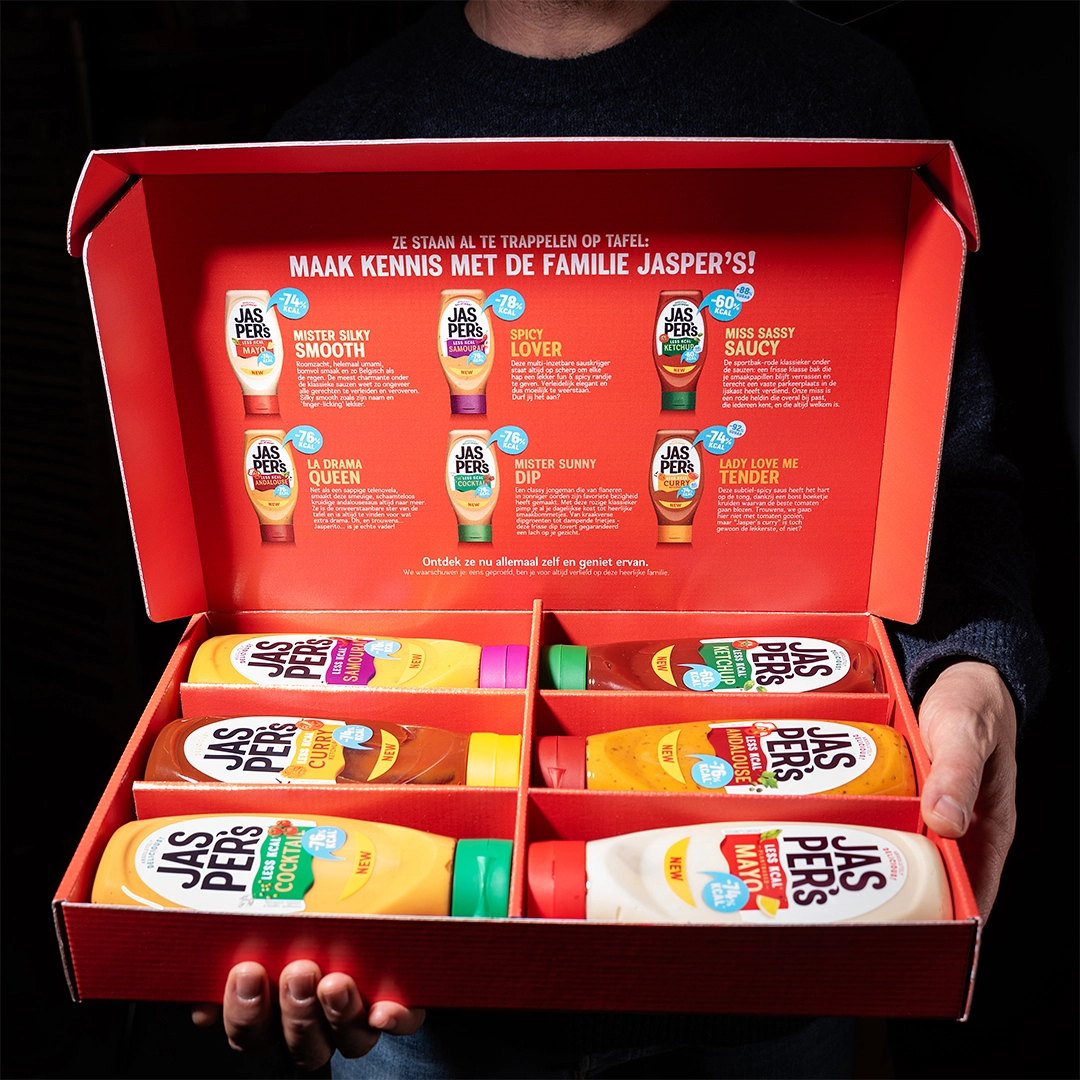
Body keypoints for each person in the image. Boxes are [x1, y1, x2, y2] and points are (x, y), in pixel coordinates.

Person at [193, 3, 1048, 1075]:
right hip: (424, 1003)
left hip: (773, 985)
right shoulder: (317, 147)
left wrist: (974, 669)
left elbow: (958, 489)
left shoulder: (846, 100)